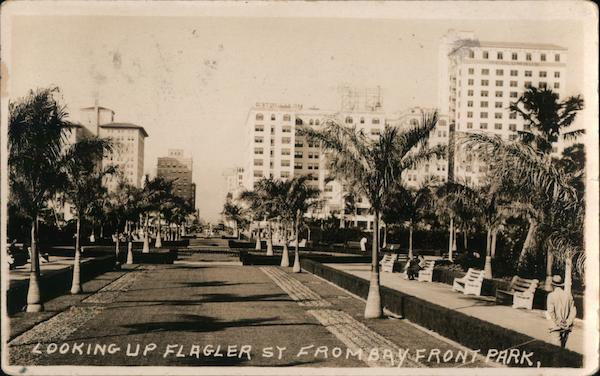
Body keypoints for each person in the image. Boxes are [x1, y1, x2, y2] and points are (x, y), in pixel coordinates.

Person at [545, 275, 577, 348]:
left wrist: (558, 322)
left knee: (556, 350)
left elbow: (551, 312)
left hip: (556, 327)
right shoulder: (569, 296)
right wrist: (568, 322)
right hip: (566, 327)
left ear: (553, 285)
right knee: (563, 348)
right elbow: (573, 311)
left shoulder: (551, 296)